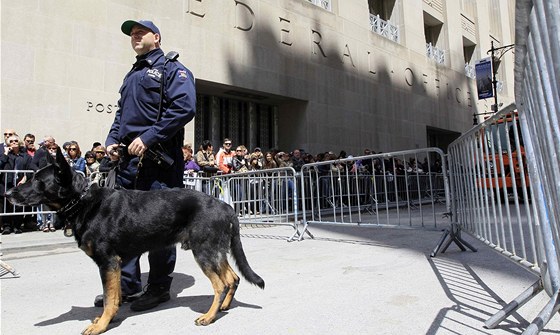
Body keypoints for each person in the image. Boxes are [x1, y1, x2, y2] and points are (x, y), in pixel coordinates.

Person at [100, 19, 196, 311]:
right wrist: (112, 140)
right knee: (126, 226)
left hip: (159, 164)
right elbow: (122, 114)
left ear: (156, 36)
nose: (135, 36)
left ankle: (158, 288)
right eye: (132, 34)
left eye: (140, 32)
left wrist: (149, 136)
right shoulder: (133, 74)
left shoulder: (172, 69)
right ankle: (128, 287)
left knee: (160, 227)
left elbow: (184, 107)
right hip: (129, 163)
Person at [0, 134, 32, 234]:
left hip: (19, 184)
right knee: (6, 205)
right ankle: (7, 226)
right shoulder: (5, 155)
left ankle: (17, 226)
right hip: (6, 183)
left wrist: (25, 178)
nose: (14, 142)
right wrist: (5, 154)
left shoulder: (25, 156)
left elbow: (30, 168)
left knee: (18, 205)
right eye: (11, 141)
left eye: (15, 141)